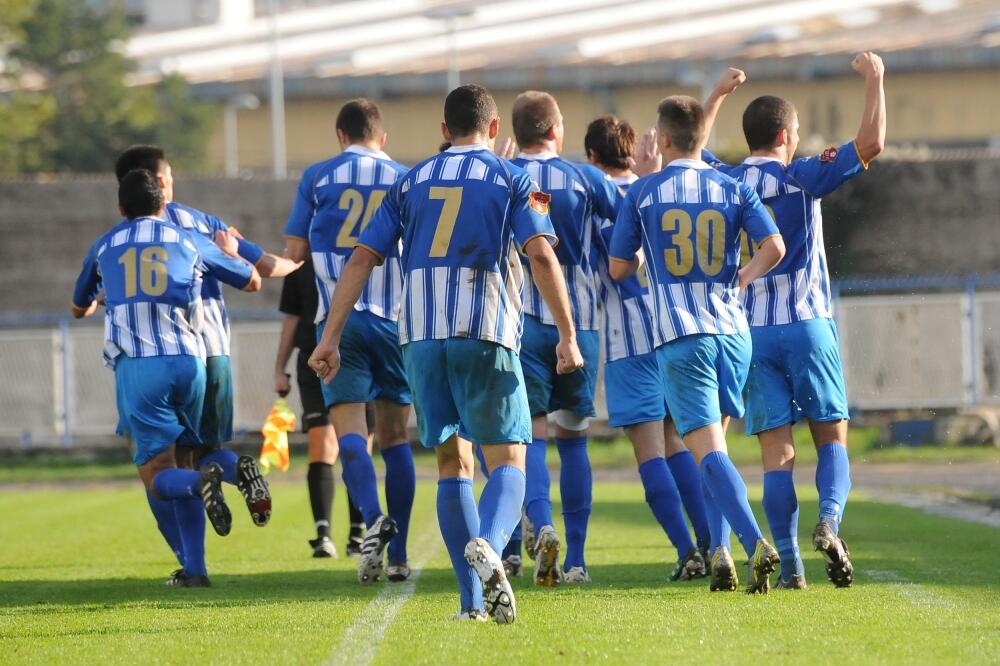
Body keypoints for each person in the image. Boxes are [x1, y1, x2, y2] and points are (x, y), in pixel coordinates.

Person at [310, 84, 583, 623]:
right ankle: (492, 545)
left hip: (419, 337)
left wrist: (329, 337)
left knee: (452, 465)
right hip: (484, 330)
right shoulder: (513, 178)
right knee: (509, 460)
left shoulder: (409, 181)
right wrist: (568, 334)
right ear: (496, 129)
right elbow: (542, 257)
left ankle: (471, 604)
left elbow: (361, 260)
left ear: (443, 130)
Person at [714, 52, 886, 589]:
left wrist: (716, 93)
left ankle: (789, 565)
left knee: (776, 454)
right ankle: (830, 522)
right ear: (787, 134)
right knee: (831, 438)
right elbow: (871, 144)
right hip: (807, 323)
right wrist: (875, 78)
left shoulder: (727, 183)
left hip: (753, 333)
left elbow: (684, 149)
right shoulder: (799, 176)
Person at [609, 94, 787, 594]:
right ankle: (721, 555)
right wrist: (744, 278)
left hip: (681, 336)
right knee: (718, 451)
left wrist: (645, 262)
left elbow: (619, 267)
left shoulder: (643, 193)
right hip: (733, 333)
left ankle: (753, 544)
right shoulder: (730, 186)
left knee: (706, 452)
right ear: (702, 139)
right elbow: (775, 246)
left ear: (662, 139)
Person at [108, 146, 298, 579]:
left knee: (161, 469)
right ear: (158, 181)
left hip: (157, 358)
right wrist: (298, 263)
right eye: (167, 176)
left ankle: (191, 565)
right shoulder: (202, 223)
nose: (170, 183)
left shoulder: (123, 237)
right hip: (214, 356)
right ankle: (236, 477)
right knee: (208, 453)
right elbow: (263, 268)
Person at [71, 169, 262, 586]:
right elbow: (252, 279)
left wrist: (106, 296)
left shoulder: (106, 244)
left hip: (140, 365)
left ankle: (203, 482)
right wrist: (230, 250)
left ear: (121, 209)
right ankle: (195, 571)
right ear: (163, 204)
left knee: (159, 476)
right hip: (191, 362)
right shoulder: (187, 238)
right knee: (192, 455)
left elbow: (77, 304)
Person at [283, 99, 416, 585]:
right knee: (397, 437)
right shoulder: (404, 176)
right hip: (394, 320)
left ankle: (373, 517)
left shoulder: (317, 177)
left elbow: (295, 251)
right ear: (382, 138)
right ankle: (398, 552)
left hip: (336, 321)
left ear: (341, 135)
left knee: (350, 436)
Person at [509, 91, 622, 586]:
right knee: (573, 442)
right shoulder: (585, 177)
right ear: (556, 130)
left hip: (524, 320)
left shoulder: (506, 176)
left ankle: (541, 523)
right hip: (582, 322)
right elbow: (629, 222)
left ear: (515, 132)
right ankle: (576, 559)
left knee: (528, 435)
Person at [274, 258, 367, 558]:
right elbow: (292, 317)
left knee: (350, 446)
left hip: (357, 352)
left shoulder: (368, 250)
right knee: (329, 446)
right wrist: (279, 367)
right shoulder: (302, 260)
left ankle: (351, 533)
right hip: (319, 356)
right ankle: (335, 535)